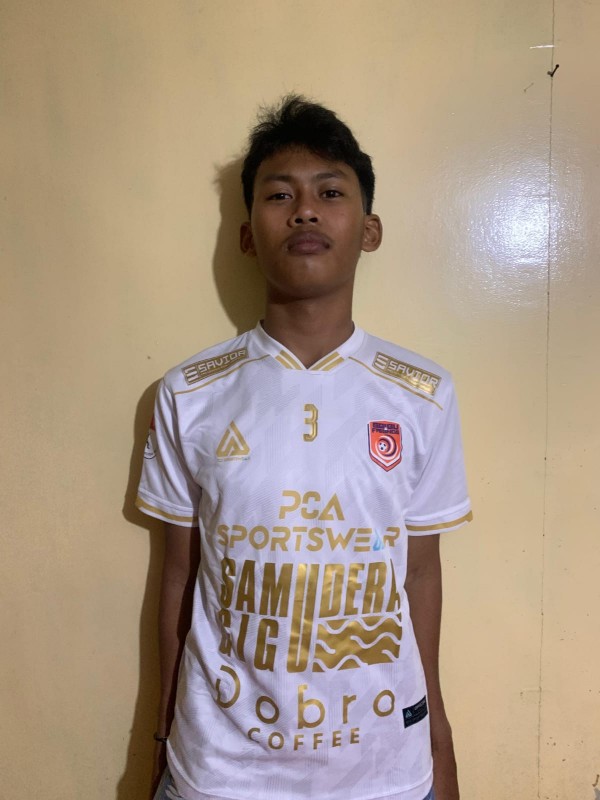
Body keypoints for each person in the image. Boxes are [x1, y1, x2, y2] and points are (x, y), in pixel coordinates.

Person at [136, 95, 472, 800]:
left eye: (330, 193)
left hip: (381, 770)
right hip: (221, 770)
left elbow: (420, 576)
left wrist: (438, 738)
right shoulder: (189, 393)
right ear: (247, 236)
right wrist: (162, 736)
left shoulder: (423, 395)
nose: (306, 212)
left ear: (369, 230)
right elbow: (177, 577)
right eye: (279, 195)